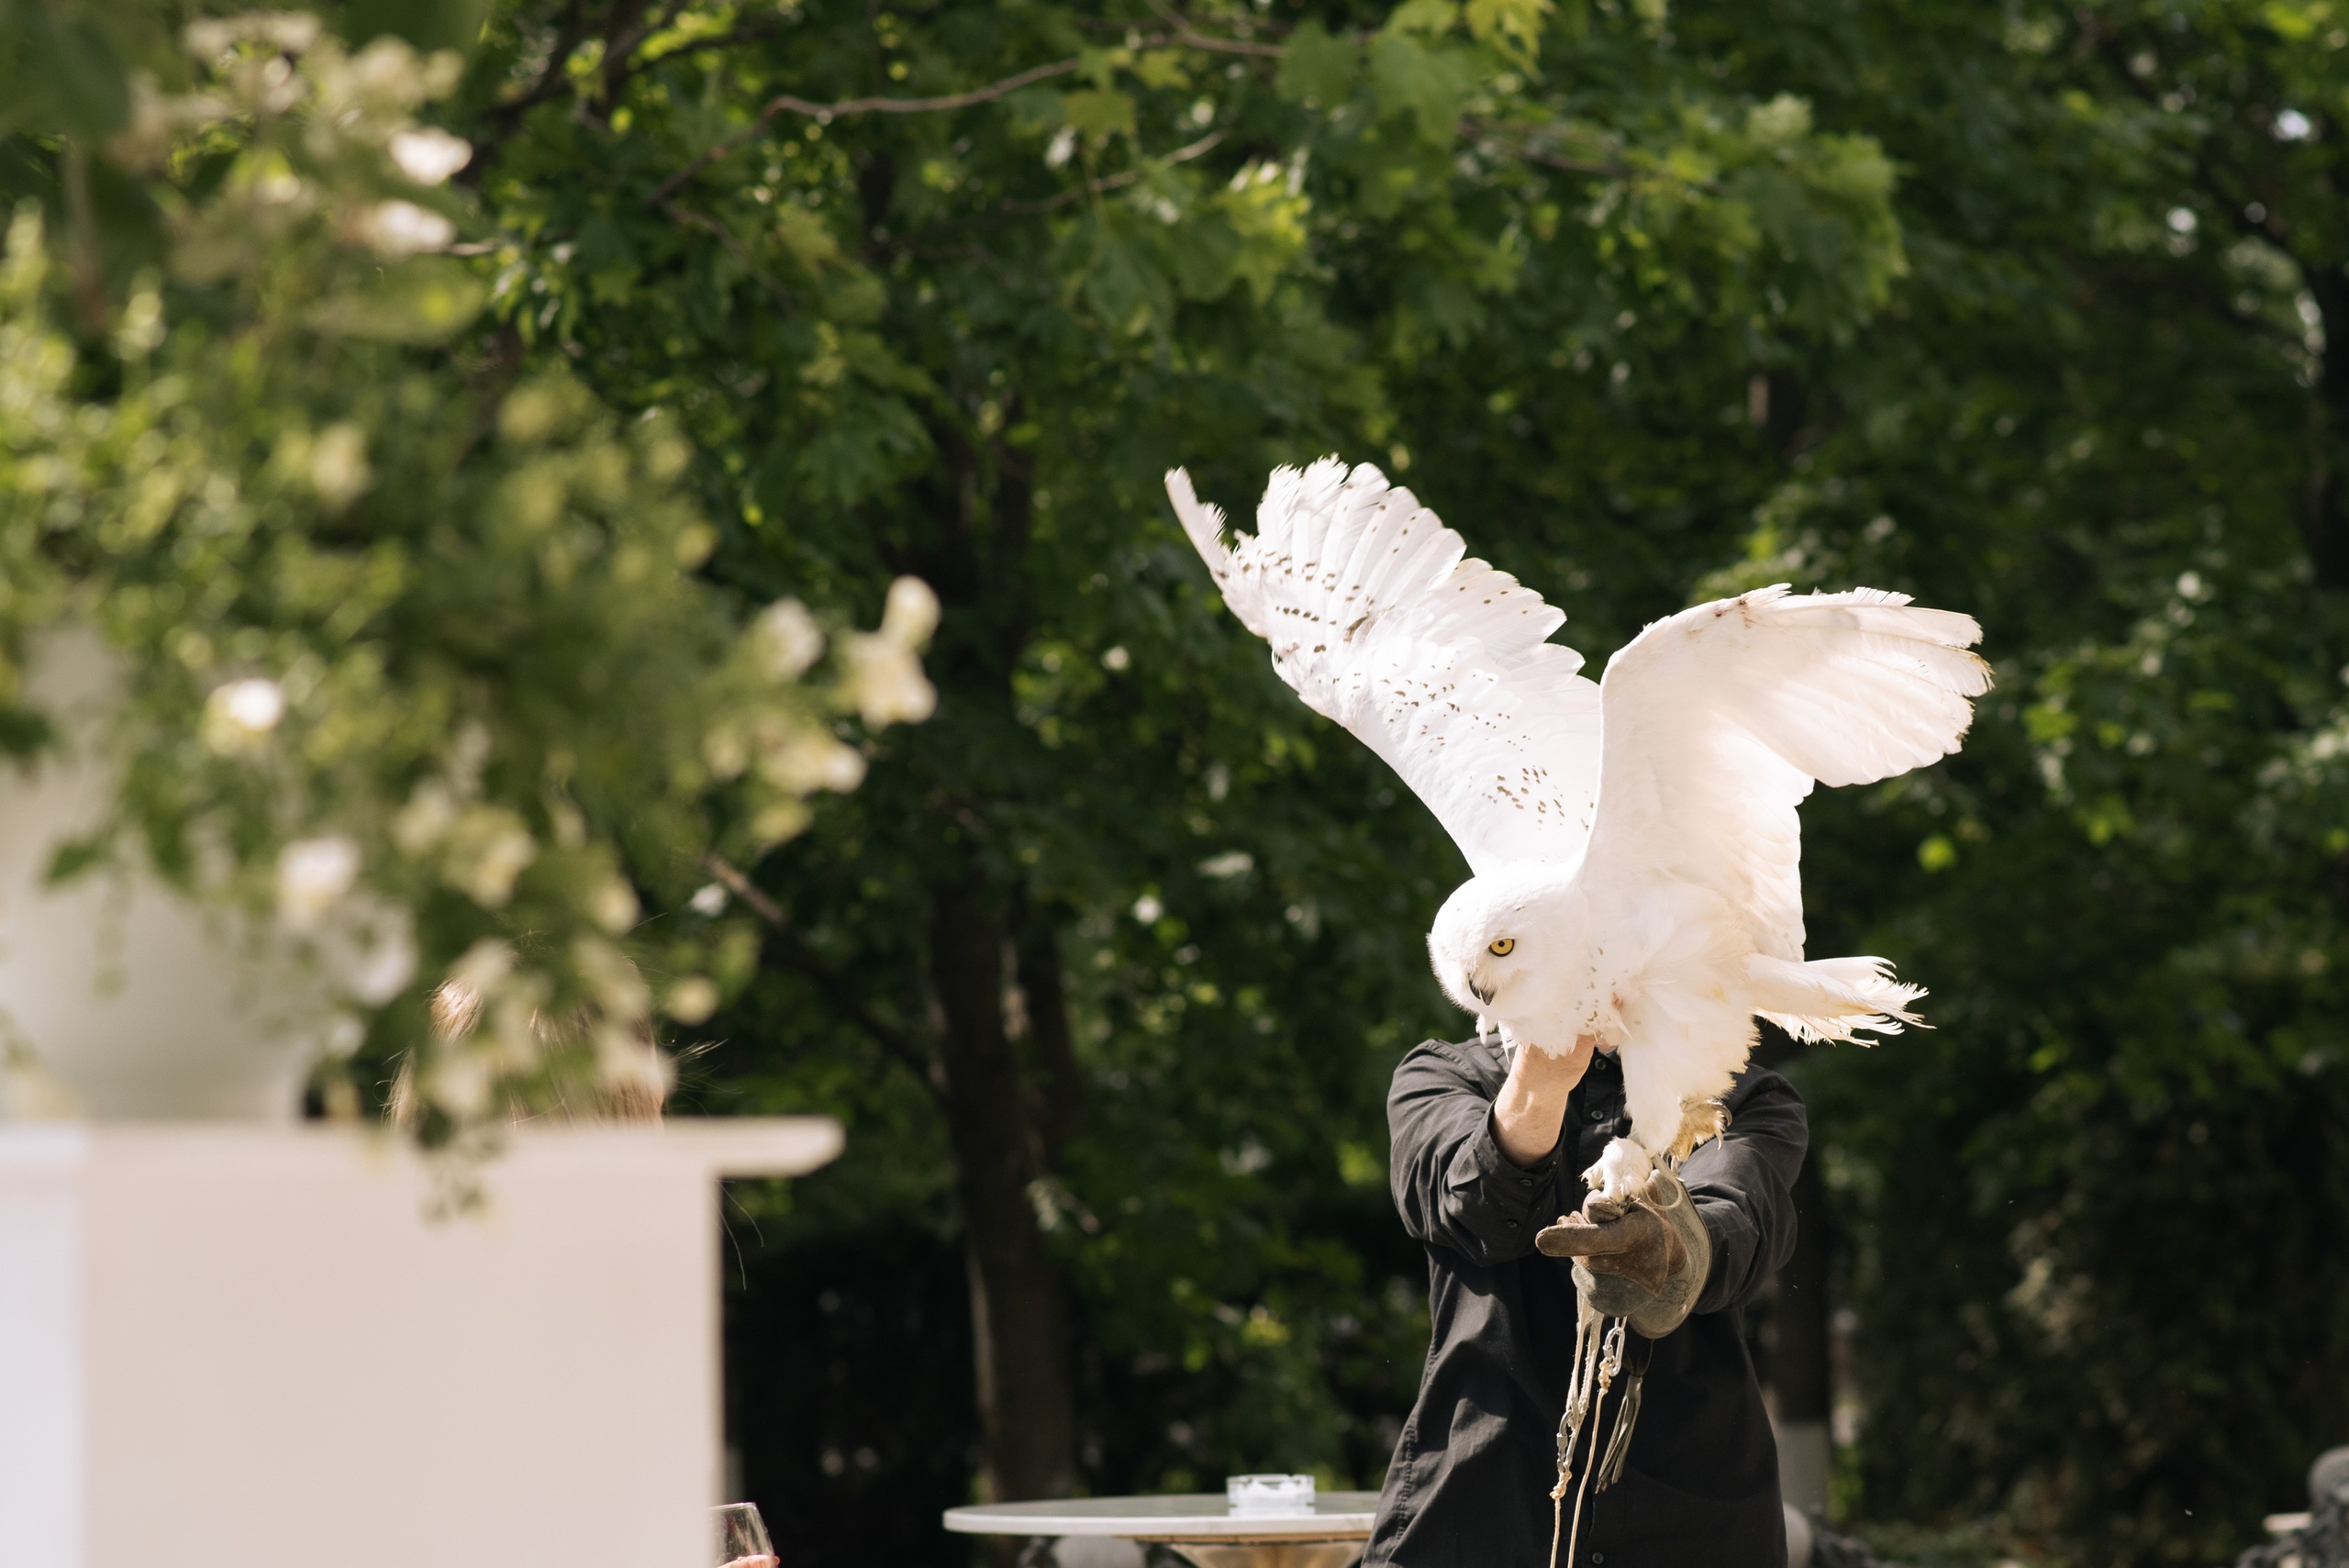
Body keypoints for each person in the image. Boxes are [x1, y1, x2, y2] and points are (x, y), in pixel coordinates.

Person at [1364, 1029, 1806, 1568]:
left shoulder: (1741, 1093)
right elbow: (1473, 1214)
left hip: (1692, 1523)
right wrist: (1538, 1084)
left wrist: (1667, 1247)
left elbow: (1737, 1224)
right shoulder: (1444, 1075)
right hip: (1479, 1511)